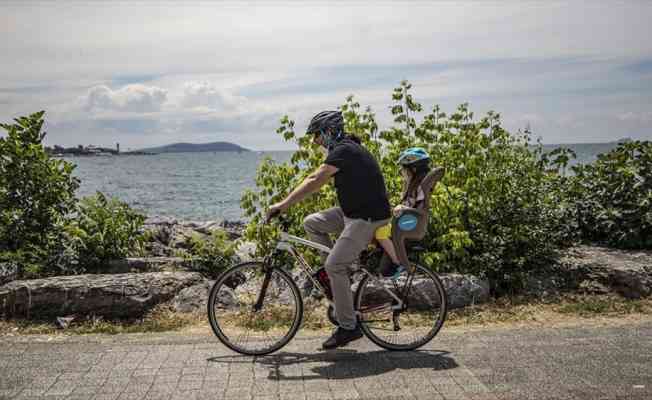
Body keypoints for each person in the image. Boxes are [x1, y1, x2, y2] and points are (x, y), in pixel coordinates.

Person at [266, 110, 391, 350]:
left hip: (367, 218)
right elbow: (315, 178)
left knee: (336, 265)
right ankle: (334, 277)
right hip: (353, 214)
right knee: (312, 222)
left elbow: (315, 180)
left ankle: (348, 326)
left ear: (330, 131)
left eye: (317, 135)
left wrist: (282, 205)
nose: (314, 141)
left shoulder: (344, 150)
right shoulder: (344, 149)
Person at [374, 147, 432, 278]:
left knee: (379, 232)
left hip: (410, 224)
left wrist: (403, 209)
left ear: (414, 169)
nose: (402, 172)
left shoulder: (420, 187)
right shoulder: (411, 186)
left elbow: (421, 210)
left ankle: (398, 263)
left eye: (404, 169)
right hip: (404, 222)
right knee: (374, 228)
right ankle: (383, 265)